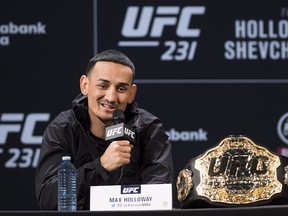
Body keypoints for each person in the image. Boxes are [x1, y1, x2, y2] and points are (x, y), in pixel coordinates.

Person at [35, 49, 174, 210]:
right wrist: (100, 167)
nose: (111, 97)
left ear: (131, 93)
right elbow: (47, 198)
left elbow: (159, 197)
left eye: (121, 89)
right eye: (103, 85)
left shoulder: (149, 129)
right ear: (85, 85)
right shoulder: (63, 128)